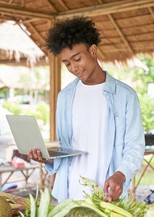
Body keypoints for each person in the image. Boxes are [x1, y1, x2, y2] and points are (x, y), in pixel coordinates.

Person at [28, 16, 145, 202]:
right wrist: (47, 159)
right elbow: (68, 150)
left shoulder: (125, 96)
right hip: (69, 196)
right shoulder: (65, 97)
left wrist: (120, 175)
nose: (74, 67)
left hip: (107, 199)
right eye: (67, 63)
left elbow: (135, 146)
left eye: (77, 59)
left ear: (92, 50)